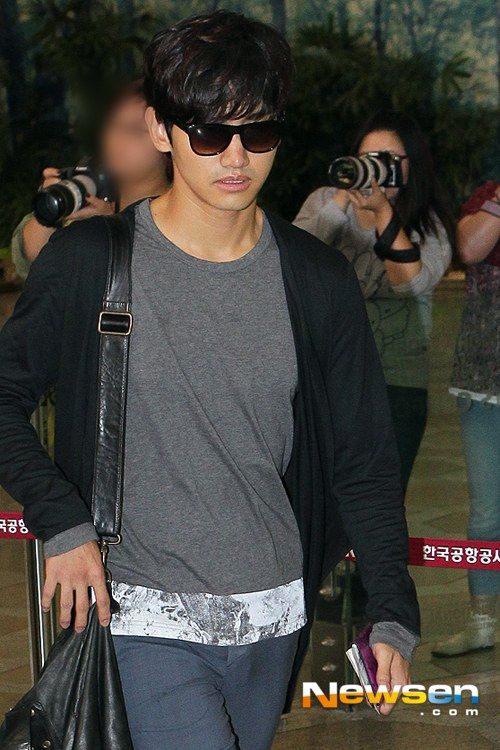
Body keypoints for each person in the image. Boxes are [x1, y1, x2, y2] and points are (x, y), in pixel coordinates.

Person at [0, 12, 421, 748]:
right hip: (137, 615)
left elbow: (363, 459)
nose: (236, 157)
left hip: (271, 621)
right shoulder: (91, 262)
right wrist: (61, 519)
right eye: (209, 133)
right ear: (161, 131)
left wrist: (391, 608)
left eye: (258, 133)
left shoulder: (316, 280)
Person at [293, 111, 454, 494]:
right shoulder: (325, 202)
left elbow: (412, 284)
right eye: (367, 159)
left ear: (410, 165)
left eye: (387, 160)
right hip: (326, 375)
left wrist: (383, 212)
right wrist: (341, 200)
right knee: (318, 498)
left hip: (397, 381)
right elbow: (294, 261)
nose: (376, 169)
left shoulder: (428, 223)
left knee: (381, 500)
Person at [10, 77, 171, 280]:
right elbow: (26, 261)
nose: (116, 138)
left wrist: (111, 230)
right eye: (112, 124)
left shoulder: (181, 208)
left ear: (166, 138)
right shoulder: (87, 186)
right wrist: (51, 210)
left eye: (134, 129)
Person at [432, 180, 500, 657]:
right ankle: (482, 623)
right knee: (487, 511)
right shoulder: (487, 196)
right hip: (483, 377)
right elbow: (471, 247)